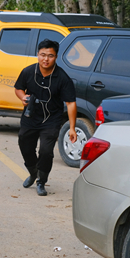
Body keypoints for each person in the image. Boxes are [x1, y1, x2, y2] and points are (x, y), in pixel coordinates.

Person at [14, 39, 77, 197]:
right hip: (31, 116)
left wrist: (72, 128)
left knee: (46, 151)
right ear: (38, 54)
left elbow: (70, 103)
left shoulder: (62, 77)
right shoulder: (28, 71)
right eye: (42, 55)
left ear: (56, 56)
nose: (46, 59)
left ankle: (41, 181)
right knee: (24, 144)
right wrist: (22, 97)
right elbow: (18, 88)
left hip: (51, 119)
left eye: (50, 55)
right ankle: (33, 172)